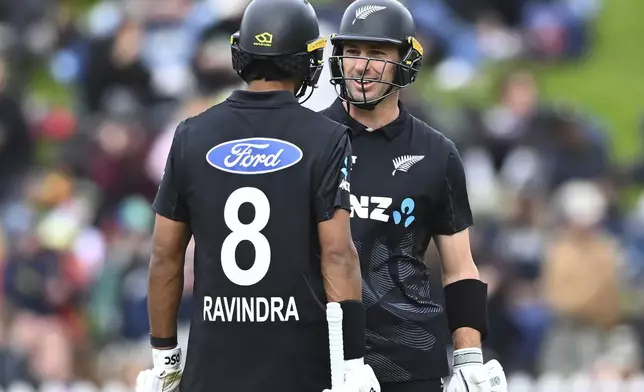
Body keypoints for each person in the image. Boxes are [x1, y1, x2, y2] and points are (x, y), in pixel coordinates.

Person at [135, 0, 379, 391]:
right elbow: (338, 254)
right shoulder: (326, 137)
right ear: (304, 60)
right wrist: (351, 362)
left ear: (242, 53)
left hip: (211, 367)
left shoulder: (190, 135)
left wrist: (165, 358)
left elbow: (165, 254)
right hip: (299, 365)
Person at [319, 1, 508, 391]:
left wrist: (470, 357)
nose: (361, 65)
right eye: (352, 51)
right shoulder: (309, 139)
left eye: (376, 53)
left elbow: (460, 267)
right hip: (319, 355)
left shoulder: (437, 153)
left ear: (405, 60)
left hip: (408, 358)